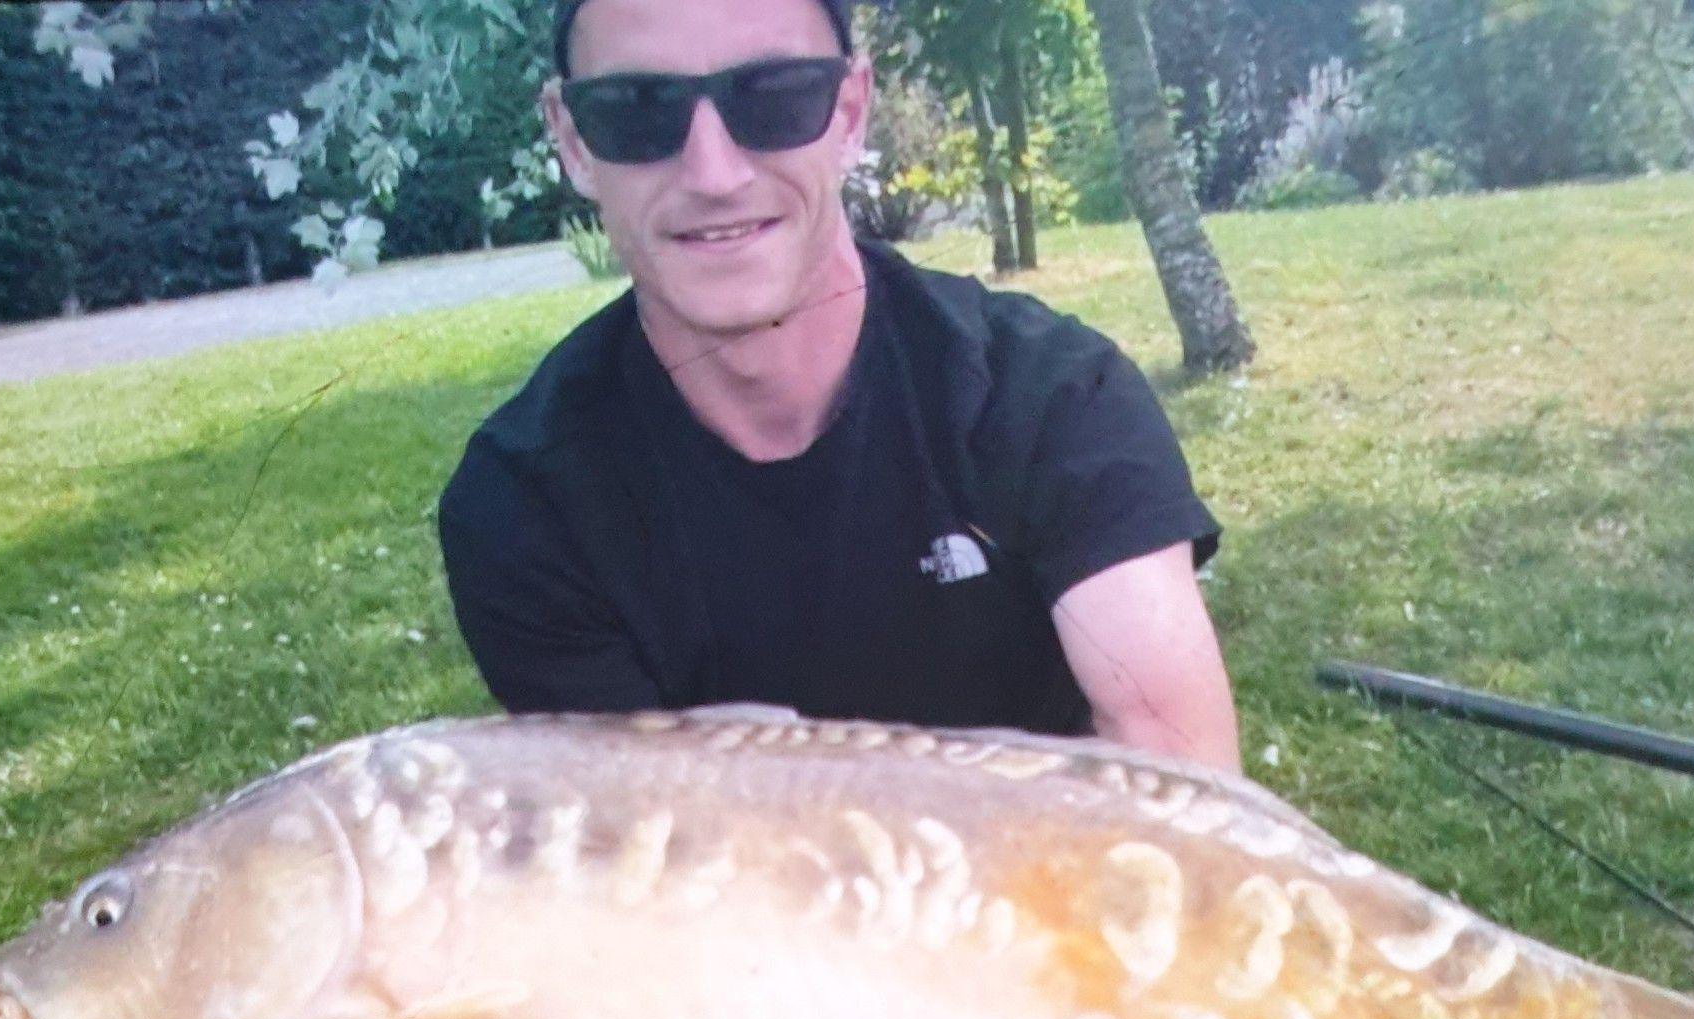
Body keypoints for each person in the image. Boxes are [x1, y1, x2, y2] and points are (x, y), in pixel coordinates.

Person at [436, 0, 1241, 775]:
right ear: (573, 142)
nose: (713, 173)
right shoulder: (525, 504)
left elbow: (1182, 791)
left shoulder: (1051, 397)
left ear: (851, 112)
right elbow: (655, 852)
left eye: (776, 98)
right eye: (638, 109)